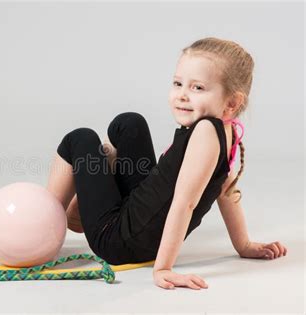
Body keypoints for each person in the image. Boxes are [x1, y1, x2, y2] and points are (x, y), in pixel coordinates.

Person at [46, 37, 287, 290]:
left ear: (231, 103)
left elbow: (186, 203)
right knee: (129, 124)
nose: (182, 95)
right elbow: (225, 189)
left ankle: (45, 230)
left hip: (117, 239)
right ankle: (89, 199)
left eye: (198, 88)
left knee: (80, 139)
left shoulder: (205, 131)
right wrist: (244, 244)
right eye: (178, 83)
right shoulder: (225, 132)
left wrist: (163, 268)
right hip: (135, 223)